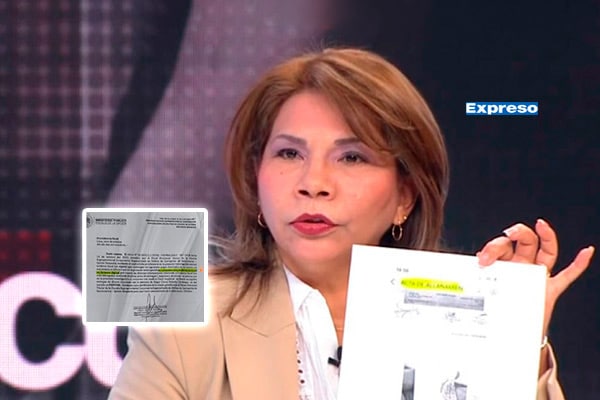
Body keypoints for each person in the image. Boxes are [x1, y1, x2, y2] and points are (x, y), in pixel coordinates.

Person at [108, 48, 594, 399]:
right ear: (256, 179)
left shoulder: (457, 320)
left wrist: (512, 341)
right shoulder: (182, 321)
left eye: (352, 157)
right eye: (289, 153)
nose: (313, 183)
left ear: (405, 196)